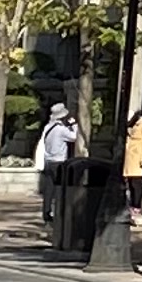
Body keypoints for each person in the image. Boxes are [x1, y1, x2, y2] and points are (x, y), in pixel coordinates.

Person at [35, 99, 81, 253]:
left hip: (48, 161)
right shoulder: (61, 130)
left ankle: (46, 213)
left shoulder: (48, 127)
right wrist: (74, 124)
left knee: (48, 190)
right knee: (60, 190)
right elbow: (74, 137)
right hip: (59, 162)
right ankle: (58, 214)